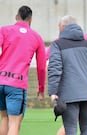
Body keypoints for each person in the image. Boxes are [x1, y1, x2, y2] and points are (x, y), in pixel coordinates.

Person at [48, 15, 87, 135]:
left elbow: (55, 69)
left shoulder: (57, 44)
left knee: (71, 129)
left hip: (68, 94)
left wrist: (52, 92)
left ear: (62, 27)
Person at [0, 5, 46, 135]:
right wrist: (41, 88)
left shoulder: (4, 30)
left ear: (16, 17)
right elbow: (41, 67)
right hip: (16, 83)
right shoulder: (36, 37)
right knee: (14, 122)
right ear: (30, 20)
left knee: (4, 119)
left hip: (1, 80)